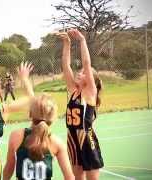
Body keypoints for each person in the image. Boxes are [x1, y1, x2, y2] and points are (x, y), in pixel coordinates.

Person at [57, 29, 104, 180]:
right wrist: (67, 43)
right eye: (80, 71)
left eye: (84, 73)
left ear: (91, 80)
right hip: (72, 137)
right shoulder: (73, 91)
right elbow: (66, 65)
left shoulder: (89, 93)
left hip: (86, 138)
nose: (79, 73)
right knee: (77, 177)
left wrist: (82, 41)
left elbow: (86, 62)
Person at [3, 94, 75, 180]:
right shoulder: (56, 143)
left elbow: (9, 168)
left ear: (30, 114)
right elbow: (69, 177)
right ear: (53, 118)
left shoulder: (16, 136)